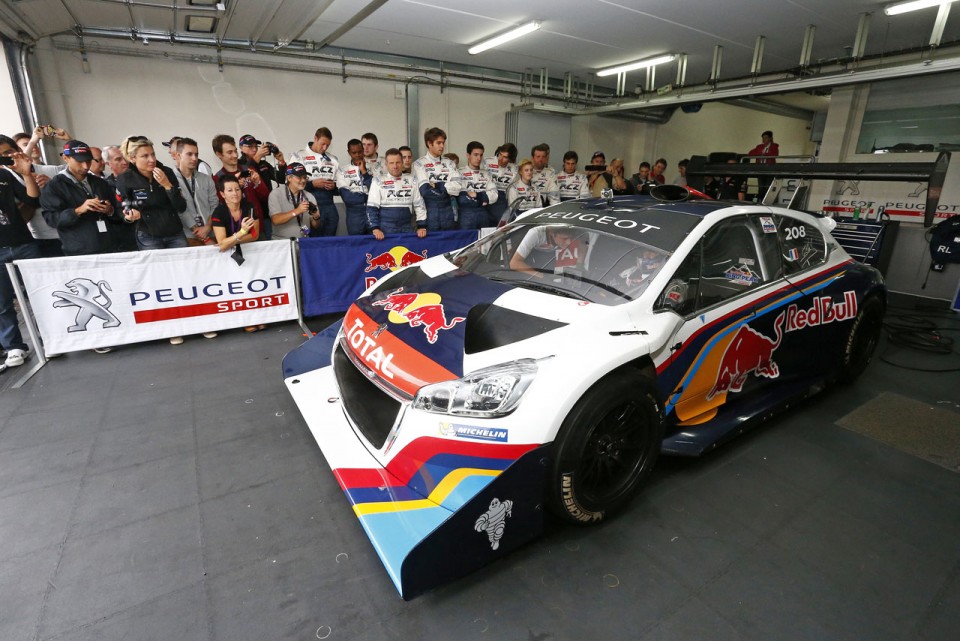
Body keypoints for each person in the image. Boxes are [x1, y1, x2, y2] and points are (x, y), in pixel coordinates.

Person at [40, 140, 121, 256]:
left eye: (88, 161)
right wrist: (78, 210)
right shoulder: (54, 186)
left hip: (110, 247)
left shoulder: (100, 183)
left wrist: (110, 211)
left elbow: (118, 212)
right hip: (79, 252)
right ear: (65, 158)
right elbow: (52, 219)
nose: (85, 166)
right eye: (79, 161)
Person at [0, 135, 41, 368]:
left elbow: (32, 199)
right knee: (2, 303)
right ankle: (13, 346)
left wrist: (26, 174)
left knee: (38, 293)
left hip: (23, 243)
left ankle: (49, 337)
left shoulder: (5, 176)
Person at [210, 174, 264, 333]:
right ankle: (244, 321)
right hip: (226, 259)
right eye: (230, 190)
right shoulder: (218, 212)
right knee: (236, 289)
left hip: (249, 253)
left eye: (237, 189)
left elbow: (255, 235)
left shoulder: (250, 207)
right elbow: (221, 244)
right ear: (222, 194)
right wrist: (241, 233)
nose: (235, 193)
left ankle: (258, 317)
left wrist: (233, 240)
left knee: (253, 286)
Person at [115, 136, 188, 251]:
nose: (152, 159)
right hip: (148, 235)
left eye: (153, 154)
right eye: (145, 156)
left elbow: (181, 207)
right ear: (132, 158)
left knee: (182, 267)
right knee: (156, 268)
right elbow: (121, 207)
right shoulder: (125, 179)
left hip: (175, 233)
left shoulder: (167, 172)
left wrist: (167, 186)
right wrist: (129, 217)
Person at [212, 134, 269, 239]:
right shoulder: (217, 179)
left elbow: (265, 197)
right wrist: (236, 187)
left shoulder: (249, 169)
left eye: (235, 151)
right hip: (234, 233)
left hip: (257, 229)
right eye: (229, 152)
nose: (234, 155)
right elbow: (220, 207)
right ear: (219, 154)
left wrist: (258, 183)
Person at [366, 148, 427, 239]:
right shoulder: (377, 181)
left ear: (402, 163)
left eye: (398, 162)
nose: (395, 166)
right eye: (391, 163)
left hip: (407, 227)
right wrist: (375, 228)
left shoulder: (412, 180)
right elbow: (371, 208)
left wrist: (422, 226)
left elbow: (419, 205)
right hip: (385, 230)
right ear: (386, 165)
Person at [289, 127, 339, 236]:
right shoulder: (299, 156)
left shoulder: (333, 159)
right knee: (312, 241)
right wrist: (312, 184)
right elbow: (290, 185)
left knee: (331, 241)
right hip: (308, 205)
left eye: (328, 145)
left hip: (329, 205)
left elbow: (340, 188)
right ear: (315, 138)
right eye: (322, 144)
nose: (325, 147)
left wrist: (334, 186)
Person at [412, 127, 461, 231]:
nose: (442, 146)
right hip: (429, 212)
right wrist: (446, 189)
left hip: (448, 212)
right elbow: (425, 191)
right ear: (429, 143)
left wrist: (437, 185)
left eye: (443, 143)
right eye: (439, 143)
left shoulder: (450, 163)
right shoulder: (419, 164)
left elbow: (457, 187)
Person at [173, 137, 219, 247]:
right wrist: (199, 231)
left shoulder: (206, 179)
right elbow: (178, 209)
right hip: (188, 236)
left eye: (196, 154)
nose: (194, 158)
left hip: (211, 232)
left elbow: (214, 205)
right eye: (189, 154)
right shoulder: (171, 179)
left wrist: (208, 227)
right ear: (178, 155)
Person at [269, 162, 319, 239]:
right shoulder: (276, 194)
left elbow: (316, 226)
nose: (303, 181)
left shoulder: (309, 196)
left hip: (304, 241)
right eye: (299, 177)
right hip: (282, 242)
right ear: (289, 178)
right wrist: (297, 211)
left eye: (305, 177)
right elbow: (276, 220)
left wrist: (316, 217)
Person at [457, 141, 498, 230]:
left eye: (481, 155)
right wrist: (483, 199)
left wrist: (476, 195)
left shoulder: (487, 174)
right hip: (466, 216)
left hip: (484, 215)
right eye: (475, 155)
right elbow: (462, 199)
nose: (479, 158)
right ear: (468, 155)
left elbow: (494, 196)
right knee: (467, 243)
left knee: (485, 243)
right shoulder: (459, 173)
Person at [509, 225, 580, 277]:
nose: (569, 242)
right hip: (527, 244)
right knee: (530, 274)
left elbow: (583, 246)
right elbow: (514, 263)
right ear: (552, 234)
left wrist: (581, 266)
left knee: (550, 274)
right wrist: (541, 276)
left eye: (571, 238)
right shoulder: (536, 233)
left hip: (546, 250)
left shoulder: (568, 235)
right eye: (564, 239)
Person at [103, 145, 137, 252]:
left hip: (151, 235)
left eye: (126, 157)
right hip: (124, 241)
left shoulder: (143, 178)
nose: (125, 162)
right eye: (118, 159)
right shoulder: (105, 186)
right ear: (108, 164)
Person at [337, 139, 373, 235]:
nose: (357, 155)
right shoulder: (342, 171)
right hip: (354, 214)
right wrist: (366, 197)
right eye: (354, 152)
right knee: (357, 245)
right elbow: (347, 197)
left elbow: (376, 191)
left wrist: (364, 172)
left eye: (360, 152)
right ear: (349, 152)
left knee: (376, 245)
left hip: (373, 212)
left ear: (363, 150)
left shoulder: (375, 167)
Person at [485, 143, 517, 224]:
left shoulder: (514, 168)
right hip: (486, 196)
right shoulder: (487, 162)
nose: (500, 158)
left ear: (510, 159)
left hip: (502, 199)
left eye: (505, 157)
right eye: (500, 154)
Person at [503, 159, 543, 224]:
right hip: (518, 221)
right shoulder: (514, 188)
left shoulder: (536, 188)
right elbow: (512, 211)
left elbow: (539, 208)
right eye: (526, 170)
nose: (529, 172)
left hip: (533, 221)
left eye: (531, 170)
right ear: (520, 172)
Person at [748, 130, 779, 199]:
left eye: (766, 138)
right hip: (760, 169)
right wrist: (761, 154)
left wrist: (763, 154)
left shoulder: (774, 146)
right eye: (763, 138)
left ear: (770, 138)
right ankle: (760, 200)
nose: (764, 139)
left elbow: (774, 154)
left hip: (769, 169)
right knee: (761, 187)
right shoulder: (759, 147)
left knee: (768, 187)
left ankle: (767, 200)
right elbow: (750, 153)